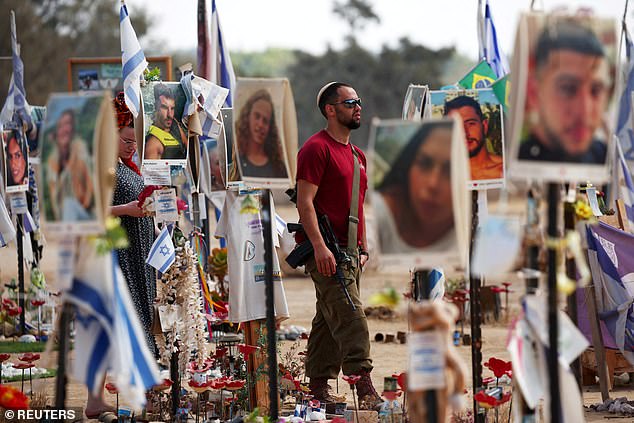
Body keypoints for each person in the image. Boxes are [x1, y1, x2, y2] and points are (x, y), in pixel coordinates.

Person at [295, 82, 382, 410]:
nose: (358, 107)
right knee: (351, 317)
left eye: (359, 102)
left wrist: (362, 247)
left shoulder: (357, 155)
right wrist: (319, 247)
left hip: (350, 252)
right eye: (350, 103)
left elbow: (355, 208)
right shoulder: (316, 149)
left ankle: (317, 388)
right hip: (327, 250)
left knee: (328, 319)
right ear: (330, 110)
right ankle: (365, 387)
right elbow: (305, 203)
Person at [85, 92, 158, 420]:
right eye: (126, 139)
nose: (132, 145)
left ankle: (107, 398)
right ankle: (121, 398)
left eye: (134, 139)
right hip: (117, 255)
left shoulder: (126, 166)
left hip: (137, 254)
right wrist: (127, 209)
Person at [519, 19, 611, 163]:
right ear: (534, 93)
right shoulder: (515, 165)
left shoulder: (604, 159)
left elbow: (588, 185)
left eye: (596, 90)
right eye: (568, 89)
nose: (585, 112)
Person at [375, 121, 455, 254]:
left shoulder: (471, 235)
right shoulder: (383, 212)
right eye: (424, 164)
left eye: (450, 171)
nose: (433, 184)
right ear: (408, 166)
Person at [46, 109, 94, 221]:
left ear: (73, 128)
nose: (64, 129)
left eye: (67, 124)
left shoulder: (79, 148)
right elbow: (54, 195)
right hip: (63, 219)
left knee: (69, 204)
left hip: (85, 213)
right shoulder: (53, 157)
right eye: (61, 125)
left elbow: (88, 187)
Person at [231, 89, 288, 179]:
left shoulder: (278, 167)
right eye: (257, 116)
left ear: (270, 127)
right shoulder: (237, 162)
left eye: (265, 121)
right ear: (247, 117)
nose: (260, 124)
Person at [444, 95, 503, 180]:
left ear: (484, 126)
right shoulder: (443, 176)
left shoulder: (505, 171)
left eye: (471, 124)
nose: (464, 133)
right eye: (456, 126)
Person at [144, 83, 187, 160]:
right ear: (155, 107)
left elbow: (188, 148)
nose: (170, 114)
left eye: (172, 108)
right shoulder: (153, 143)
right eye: (164, 107)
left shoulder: (174, 123)